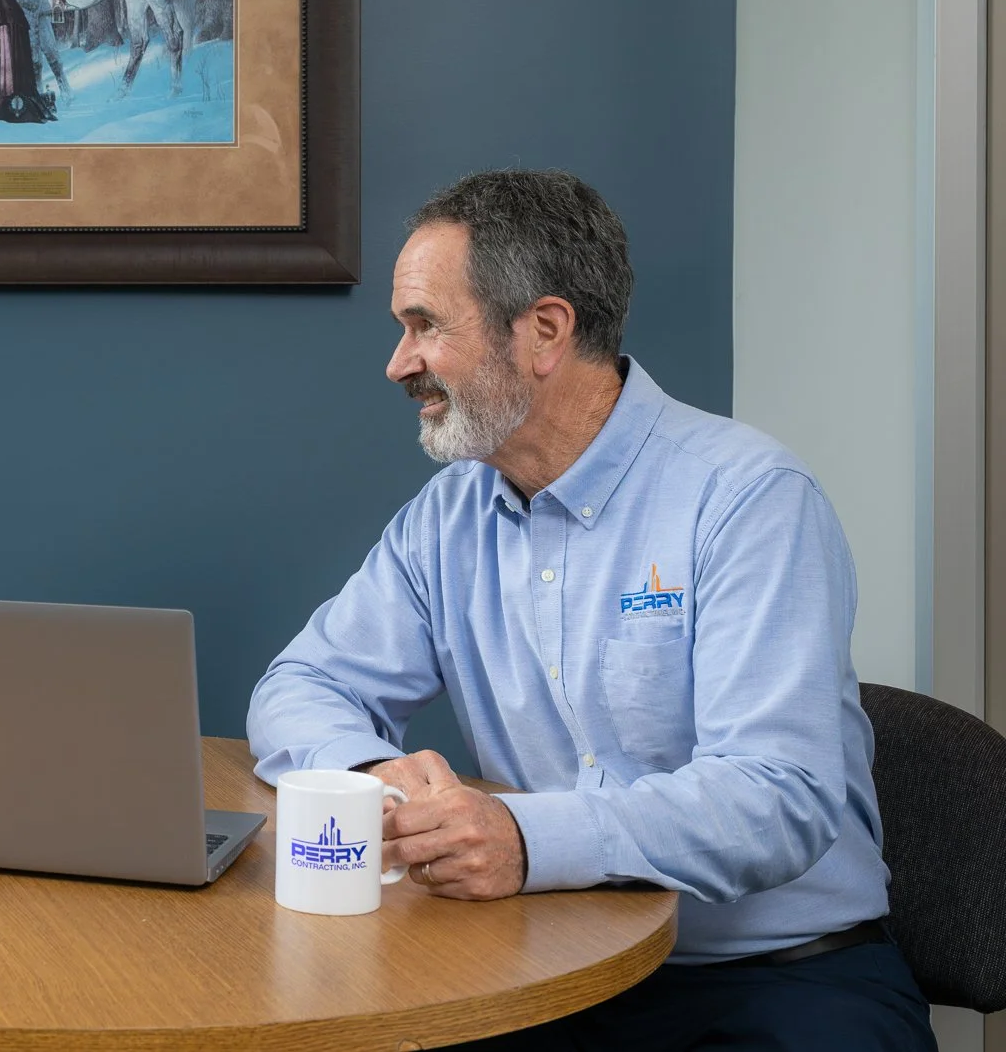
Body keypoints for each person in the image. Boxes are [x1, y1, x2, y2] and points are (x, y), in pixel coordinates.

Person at [246, 171, 933, 1050]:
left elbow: (777, 797)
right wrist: (374, 771)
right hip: (548, 967)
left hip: (779, 981)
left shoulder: (748, 498)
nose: (399, 363)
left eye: (425, 325)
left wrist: (526, 838)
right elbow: (299, 685)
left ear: (543, 331)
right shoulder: (450, 514)